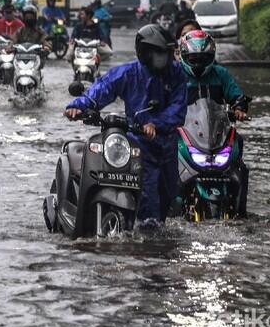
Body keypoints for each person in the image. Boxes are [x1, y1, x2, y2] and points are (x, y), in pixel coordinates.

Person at [64, 24, 188, 228]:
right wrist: (79, 106)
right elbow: (102, 88)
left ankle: (157, 240)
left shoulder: (176, 74)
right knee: (148, 201)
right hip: (138, 144)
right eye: (161, 53)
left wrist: (155, 124)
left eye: (167, 53)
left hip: (166, 145)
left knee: (168, 198)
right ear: (146, 53)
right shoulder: (129, 73)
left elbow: (178, 108)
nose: (166, 58)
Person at [178, 29, 248, 120]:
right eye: (193, 58)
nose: (198, 64)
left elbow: (235, 94)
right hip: (183, 127)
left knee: (236, 134)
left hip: (216, 127)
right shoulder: (175, 74)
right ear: (184, 56)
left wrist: (239, 109)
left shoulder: (220, 73)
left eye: (203, 58)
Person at [0, 4, 25, 76]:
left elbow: (24, 36)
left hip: (14, 47)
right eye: (6, 13)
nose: (8, 15)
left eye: (10, 12)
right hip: (0, 47)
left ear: (14, 13)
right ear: (3, 13)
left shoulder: (20, 24)